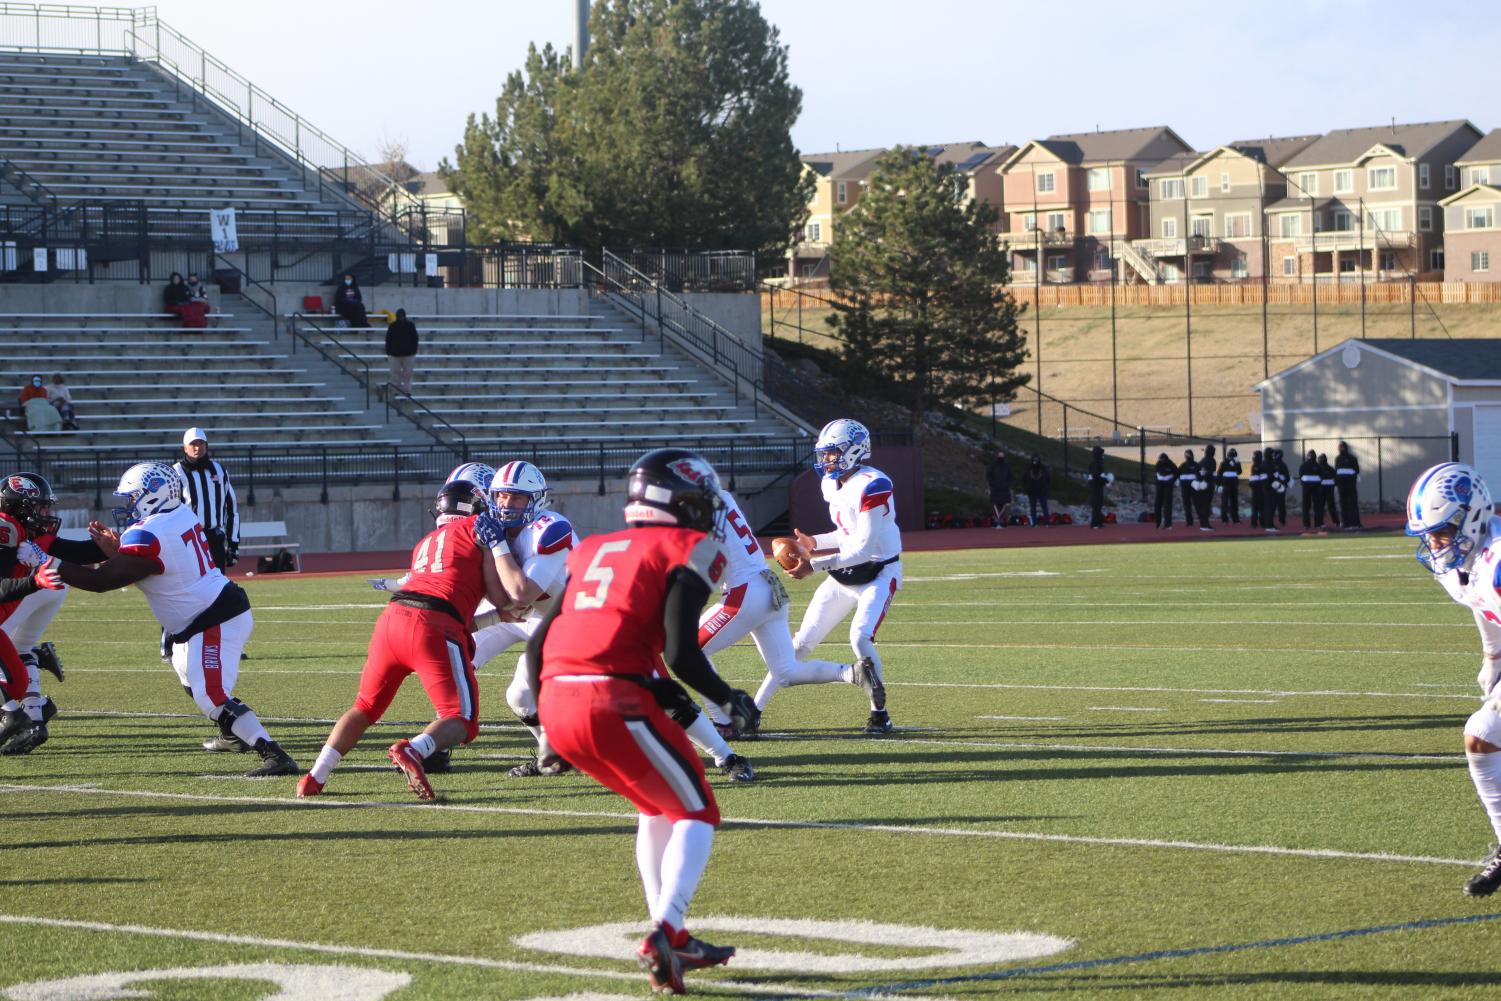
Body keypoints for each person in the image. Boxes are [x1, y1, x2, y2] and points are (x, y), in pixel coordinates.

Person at [525, 448, 759, 993]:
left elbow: (539, 643)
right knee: (698, 811)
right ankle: (669, 931)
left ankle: (667, 933)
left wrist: (545, 718)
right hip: (611, 697)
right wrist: (729, 698)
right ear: (678, 502)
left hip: (559, 698)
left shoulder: (594, 547)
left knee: (654, 806)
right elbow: (681, 651)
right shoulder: (693, 547)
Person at [20, 461, 298, 776]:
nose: (128, 505)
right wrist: (117, 552)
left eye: (132, 497)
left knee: (212, 695)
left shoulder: (149, 532)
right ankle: (234, 735)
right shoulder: (178, 514)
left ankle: (274, 755)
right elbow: (159, 564)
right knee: (187, 675)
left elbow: (101, 582)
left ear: (154, 494)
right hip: (203, 615)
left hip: (213, 617)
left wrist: (48, 562)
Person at [299, 480, 522, 800]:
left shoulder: (426, 543)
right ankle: (414, 750)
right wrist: (508, 604)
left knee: (364, 706)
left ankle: (314, 777)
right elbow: (500, 599)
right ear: (475, 507)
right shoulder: (480, 526)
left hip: (391, 622)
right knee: (460, 718)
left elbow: (452, 603)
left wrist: (496, 617)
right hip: (433, 625)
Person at [699, 466, 859, 740]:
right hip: (768, 585)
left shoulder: (701, 511)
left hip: (744, 592)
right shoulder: (724, 497)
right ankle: (851, 673)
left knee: (690, 649)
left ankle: (723, 721)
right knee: (786, 671)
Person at [1403, 461, 1501, 896]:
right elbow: (1483, 603)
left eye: (1442, 531)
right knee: (1480, 738)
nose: (1435, 544)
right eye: (1429, 535)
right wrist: (1493, 655)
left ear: (1473, 514)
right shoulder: (1459, 563)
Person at [784, 419, 902, 735]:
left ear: (853, 451)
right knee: (797, 646)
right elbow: (843, 533)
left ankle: (880, 714)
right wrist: (815, 543)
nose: (826, 461)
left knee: (859, 637)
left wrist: (816, 564)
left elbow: (863, 548)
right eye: (824, 454)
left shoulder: (873, 483)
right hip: (848, 571)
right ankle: (753, 711)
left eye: (832, 454)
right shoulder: (832, 484)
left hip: (879, 569)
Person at [0, 472, 80, 755]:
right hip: (49, 586)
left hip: (31, 588)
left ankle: (19, 712)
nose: (46, 513)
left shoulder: (11, 527)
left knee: (11, 650)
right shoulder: (13, 528)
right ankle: (33, 714)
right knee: (18, 651)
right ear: (20, 505)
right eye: (41, 507)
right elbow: (79, 553)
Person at [170, 428, 238, 675]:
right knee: (182, 590)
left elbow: (232, 507)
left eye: (201, 444)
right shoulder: (176, 473)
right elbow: (169, 509)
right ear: (184, 448)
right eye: (193, 444)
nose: (197, 448)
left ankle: (221, 644)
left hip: (214, 537)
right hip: (188, 538)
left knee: (218, 590)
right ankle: (171, 642)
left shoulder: (218, 470)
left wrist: (234, 541)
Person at [384, 308, 419, 396]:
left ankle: (407, 390)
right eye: (399, 316)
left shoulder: (410, 325)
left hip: (409, 354)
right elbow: (388, 339)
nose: (401, 318)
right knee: (395, 373)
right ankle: (396, 390)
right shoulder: (392, 326)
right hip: (395, 354)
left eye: (402, 316)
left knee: (408, 373)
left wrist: (414, 350)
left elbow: (415, 339)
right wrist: (389, 351)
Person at [1336, 441, 1362, 530]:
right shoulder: (1338, 459)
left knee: (1352, 503)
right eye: (1339, 447)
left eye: (1341, 447)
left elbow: (1357, 471)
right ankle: (1346, 523)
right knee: (1343, 505)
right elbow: (1337, 471)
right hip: (1342, 486)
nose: (1340, 449)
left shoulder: (1352, 458)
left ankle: (1355, 523)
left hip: (1350, 485)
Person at [985, 450, 1012, 529]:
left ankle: (1003, 522)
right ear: (997, 456)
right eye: (999, 455)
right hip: (996, 488)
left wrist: (1007, 484)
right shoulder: (993, 465)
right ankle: (997, 522)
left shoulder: (1007, 466)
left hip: (1005, 488)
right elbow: (989, 475)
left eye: (1002, 455)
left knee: (1004, 505)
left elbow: (1010, 476)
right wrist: (992, 484)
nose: (1001, 457)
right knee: (995, 505)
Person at [1266, 448, 1290, 532]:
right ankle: (1273, 522)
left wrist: (1280, 479)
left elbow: (1286, 477)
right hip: (1274, 487)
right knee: (1274, 505)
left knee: (1280, 505)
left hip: (1279, 487)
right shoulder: (1272, 464)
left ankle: (1281, 520)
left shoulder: (1281, 465)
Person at [1024, 454, 1050, 527]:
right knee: (1033, 508)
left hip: (1042, 491)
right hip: (1032, 491)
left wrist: (1046, 488)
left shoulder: (1043, 469)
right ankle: (1034, 523)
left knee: (1044, 507)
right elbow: (1024, 479)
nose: (1035, 462)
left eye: (1036, 460)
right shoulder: (1028, 469)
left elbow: (1048, 478)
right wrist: (1027, 488)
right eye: (1034, 460)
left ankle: (1047, 522)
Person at [1194, 445, 1217, 530]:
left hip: (1201, 485)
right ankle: (1205, 525)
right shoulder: (1212, 461)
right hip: (1208, 485)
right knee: (1206, 505)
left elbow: (1197, 471)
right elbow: (1211, 473)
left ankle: (1203, 523)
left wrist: (1200, 479)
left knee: (1203, 504)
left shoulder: (1202, 461)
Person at [1085, 446, 1108, 529]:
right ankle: (1095, 523)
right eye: (1101, 454)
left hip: (1097, 486)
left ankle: (1098, 522)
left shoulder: (1097, 463)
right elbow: (1095, 476)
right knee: (1096, 505)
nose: (1103, 455)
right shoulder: (1096, 463)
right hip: (1096, 486)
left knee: (1098, 505)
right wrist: (1105, 480)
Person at [1299, 449, 1322, 531]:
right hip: (1316, 487)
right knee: (1317, 506)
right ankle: (1318, 524)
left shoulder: (1303, 465)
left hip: (1306, 487)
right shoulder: (1318, 466)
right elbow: (1321, 476)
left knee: (1306, 506)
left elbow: (1300, 475)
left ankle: (1306, 525)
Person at [1153, 452, 1177, 529]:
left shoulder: (1171, 465)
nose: (1161, 461)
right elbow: (1157, 475)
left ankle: (1168, 524)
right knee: (1157, 504)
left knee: (1167, 505)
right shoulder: (1158, 464)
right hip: (1160, 487)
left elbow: (1176, 473)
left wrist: (1172, 481)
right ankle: (1158, 522)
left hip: (1168, 487)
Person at [1218, 447, 1242, 525]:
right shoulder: (1235, 462)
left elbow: (1219, 472)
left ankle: (1225, 519)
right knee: (1233, 501)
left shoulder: (1224, 462)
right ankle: (1234, 519)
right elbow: (1239, 472)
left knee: (1226, 501)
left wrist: (1219, 484)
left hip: (1227, 483)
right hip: (1232, 483)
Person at [1318, 453, 1340, 529]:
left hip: (1322, 488)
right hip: (1329, 488)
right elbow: (1336, 477)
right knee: (1331, 505)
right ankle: (1336, 522)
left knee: (1321, 506)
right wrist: (1334, 484)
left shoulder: (1319, 468)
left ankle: (1320, 523)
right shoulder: (1330, 468)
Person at [1178, 449, 1198, 528]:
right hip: (1192, 487)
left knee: (1188, 505)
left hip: (1187, 488)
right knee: (1196, 504)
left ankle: (1189, 522)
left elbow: (1177, 473)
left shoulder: (1183, 465)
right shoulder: (1196, 465)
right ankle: (1202, 521)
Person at [1247, 450, 1266, 529]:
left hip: (1254, 490)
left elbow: (1252, 479)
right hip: (1261, 489)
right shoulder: (1263, 465)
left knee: (1254, 508)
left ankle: (1253, 523)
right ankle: (1262, 523)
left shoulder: (1253, 466)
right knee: (1262, 508)